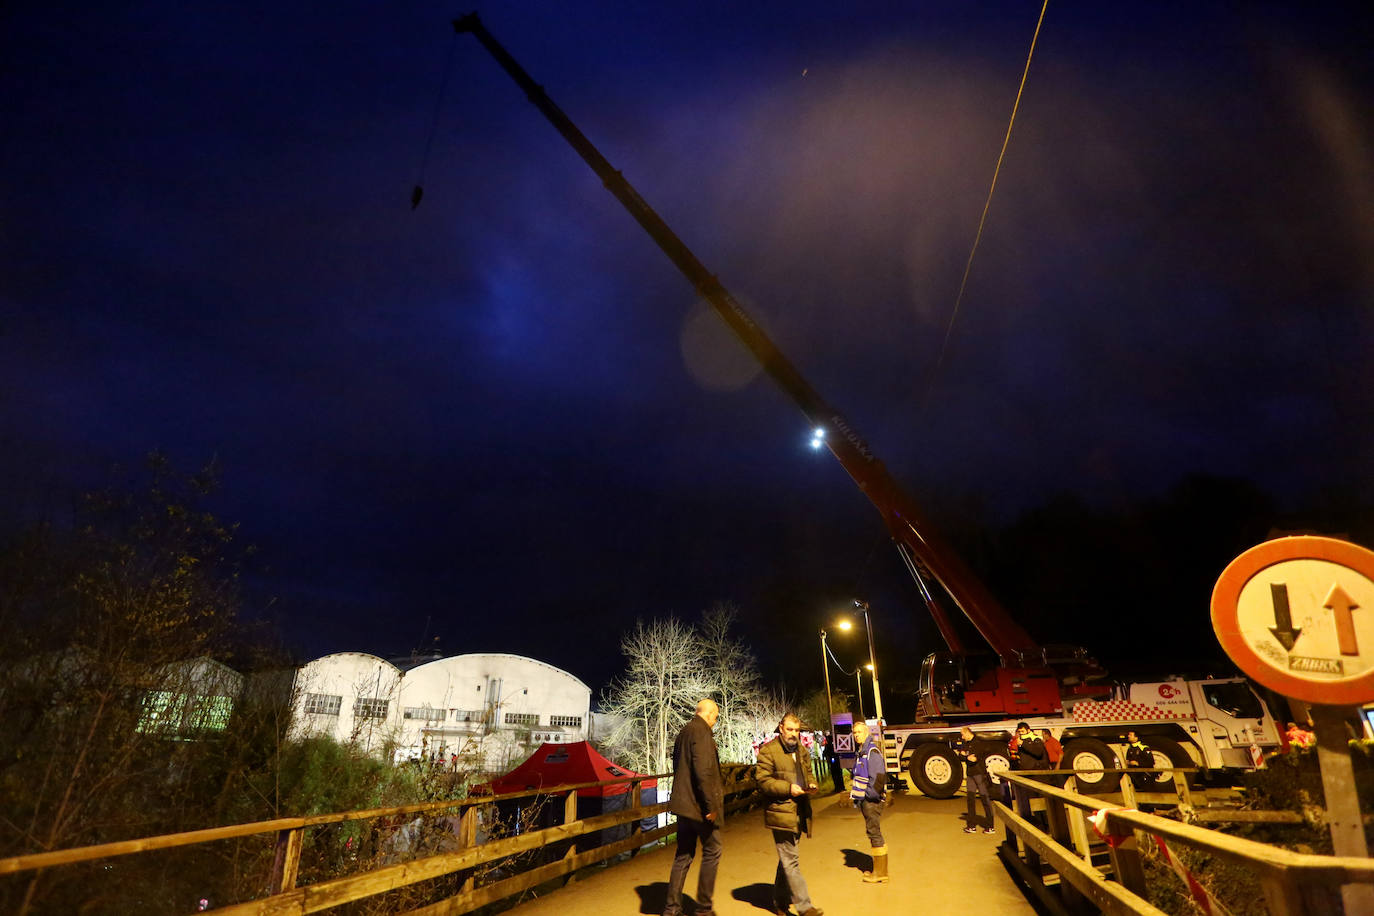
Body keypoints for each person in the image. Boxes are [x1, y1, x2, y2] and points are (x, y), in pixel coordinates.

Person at [757, 713, 823, 916]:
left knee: (786, 859)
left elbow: (809, 773)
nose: (794, 734)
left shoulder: (801, 750)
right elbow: (762, 781)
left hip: (800, 811)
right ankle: (805, 907)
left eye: (797, 730)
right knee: (790, 859)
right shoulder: (768, 751)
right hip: (781, 813)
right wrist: (788, 788)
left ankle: (779, 900)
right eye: (790, 730)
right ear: (781, 728)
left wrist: (811, 784)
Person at [664, 699, 725, 916]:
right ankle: (704, 909)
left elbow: (680, 767)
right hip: (699, 806)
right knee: (713, 850)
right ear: (708, 714)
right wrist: (710, 805)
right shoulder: (702, 733)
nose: (715, 722)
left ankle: (672, 908)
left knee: (684, 854)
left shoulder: (684, 732)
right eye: (716, 717)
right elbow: (703, 771)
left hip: (683, 804)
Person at [849, 721, 890, 882]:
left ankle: (881, 873)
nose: (856, 735)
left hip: (871, 801)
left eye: (859, 732)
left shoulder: (871, 752)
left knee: (875, 833)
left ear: (866, 732)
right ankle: (879, 871)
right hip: (866, 800)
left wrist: (868, 796)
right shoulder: (862, 752)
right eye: (854, 732)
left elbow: (878, 779)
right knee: (873, 833)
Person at [954, 726, 996, 834]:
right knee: (970, 799)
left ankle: (990, 826)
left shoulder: (978, 743)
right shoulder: (966, 744)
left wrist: (966, 755)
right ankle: (971, 826)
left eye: (963, 735)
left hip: (979, 774)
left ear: (967, 733)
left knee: (984, 798)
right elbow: (961, 756)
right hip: (970, 774)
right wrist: (967, 756)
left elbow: (974, 758)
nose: (962, 737)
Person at [1010, 722, 1046, 819]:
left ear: (1028, 730)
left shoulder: (1035, 739)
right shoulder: (1021, 741)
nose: (1021, 733)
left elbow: (1038, 752)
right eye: (1019, 731)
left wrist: (1023, 744)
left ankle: (1046, 825)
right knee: (1032, 801)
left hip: (1037, 774)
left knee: (1041, 801)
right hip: (1027, 773)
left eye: (1023, 731)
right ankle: (1039, 823)